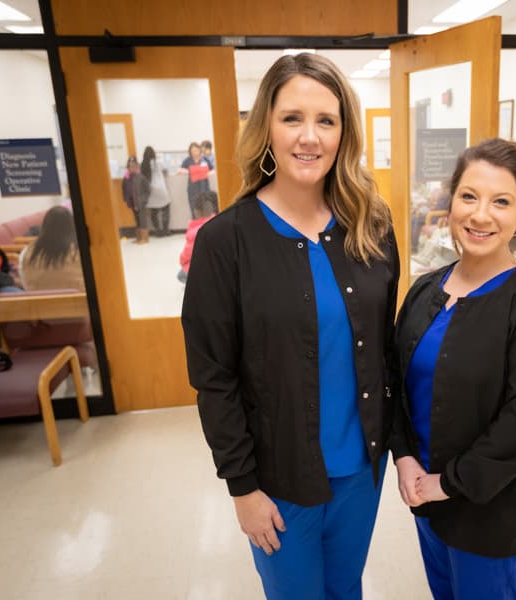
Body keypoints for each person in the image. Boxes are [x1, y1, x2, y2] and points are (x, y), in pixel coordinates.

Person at [181, 52, 399, 600]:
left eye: (326, 120)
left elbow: (385, 350)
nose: (310, 137)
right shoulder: (224, 242)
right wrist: (243, 489)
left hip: (361, 470)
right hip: (278, 480)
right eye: (292, 118)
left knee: (346, 587)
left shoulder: (372, 226)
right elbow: (214, 377)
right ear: (267, 129)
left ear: (344, 133)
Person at [390, 138, 516, 600]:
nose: (481, 215)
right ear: (451, 202)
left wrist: (446, 483)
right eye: (469, 196)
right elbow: (396, 386)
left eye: (501, 201)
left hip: (490, 507)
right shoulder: (425, 291)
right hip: (425, 495)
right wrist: (405, 457)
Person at [19, 206, 85, 291]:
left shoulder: (26, 252)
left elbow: (26, 284)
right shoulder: (82, 250)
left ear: (44, 226)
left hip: (40, 303)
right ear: (72, 225)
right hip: (80, 302)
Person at [177, 190, 217, 284]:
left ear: (196, 212)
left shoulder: (196, 232)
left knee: (180, 275)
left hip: (203, 269)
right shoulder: (219, 222)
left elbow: (187, 254)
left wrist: (182, 260)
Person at [141, 146, 172, 237]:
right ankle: (166, 230)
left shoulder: (143, 164)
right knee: (166, 208)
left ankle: (158, 231)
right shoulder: (158, 162)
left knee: (154, 212)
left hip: (151, 190)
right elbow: (166, 169)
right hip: (160, 188)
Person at [121, 155, 151, 244]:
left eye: (133, 166)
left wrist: (144, 199)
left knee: (142, 220)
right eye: (129, 166)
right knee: (137, 220)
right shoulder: (126, 178)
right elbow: (124, 189)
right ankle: (139, 237)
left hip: (141, 202)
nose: (131, 168)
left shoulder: (141, 177)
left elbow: (148, 189)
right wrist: (126, 199)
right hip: (132, 203)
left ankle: (145, 238)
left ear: (136, 166)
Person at [178, 141, 210, 219]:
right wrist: (191, 171)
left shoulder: (204, 159)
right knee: (194, 211)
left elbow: (213, 170)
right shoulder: (188, 160)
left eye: (196, 150)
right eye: (192, 151)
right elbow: (180, 170)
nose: (195, 153)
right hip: (193, 190)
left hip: (204, 188)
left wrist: (204, 172)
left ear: (199, 150)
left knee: (206, 210)